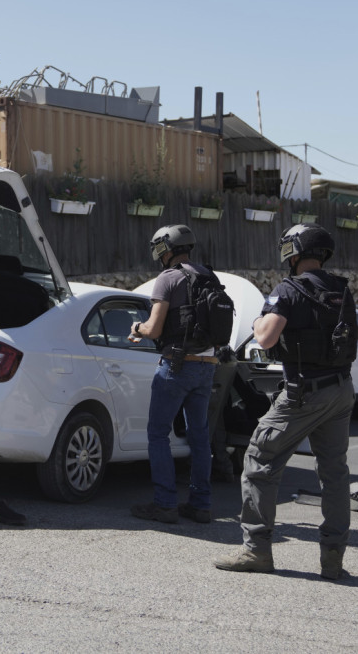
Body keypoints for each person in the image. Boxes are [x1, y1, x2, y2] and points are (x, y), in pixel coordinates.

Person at [214, 223, 356, 580]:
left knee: (260, 459)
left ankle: (256, 550)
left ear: (295, 252)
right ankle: (333, 560)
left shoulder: (288, 289)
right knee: (334, 473)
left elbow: (264, 338)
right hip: (341, 389)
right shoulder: (341, 289)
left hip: (304, 391)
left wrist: (263, 315)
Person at [128, 224, 219, 525]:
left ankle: (165, 504)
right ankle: (200, 505)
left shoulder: (168, 278)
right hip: (206, 365)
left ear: (165, 249)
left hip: (176, 365)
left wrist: (137, 329)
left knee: (157, 433)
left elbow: (153, 329)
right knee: (200, 437)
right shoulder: (208, 275)